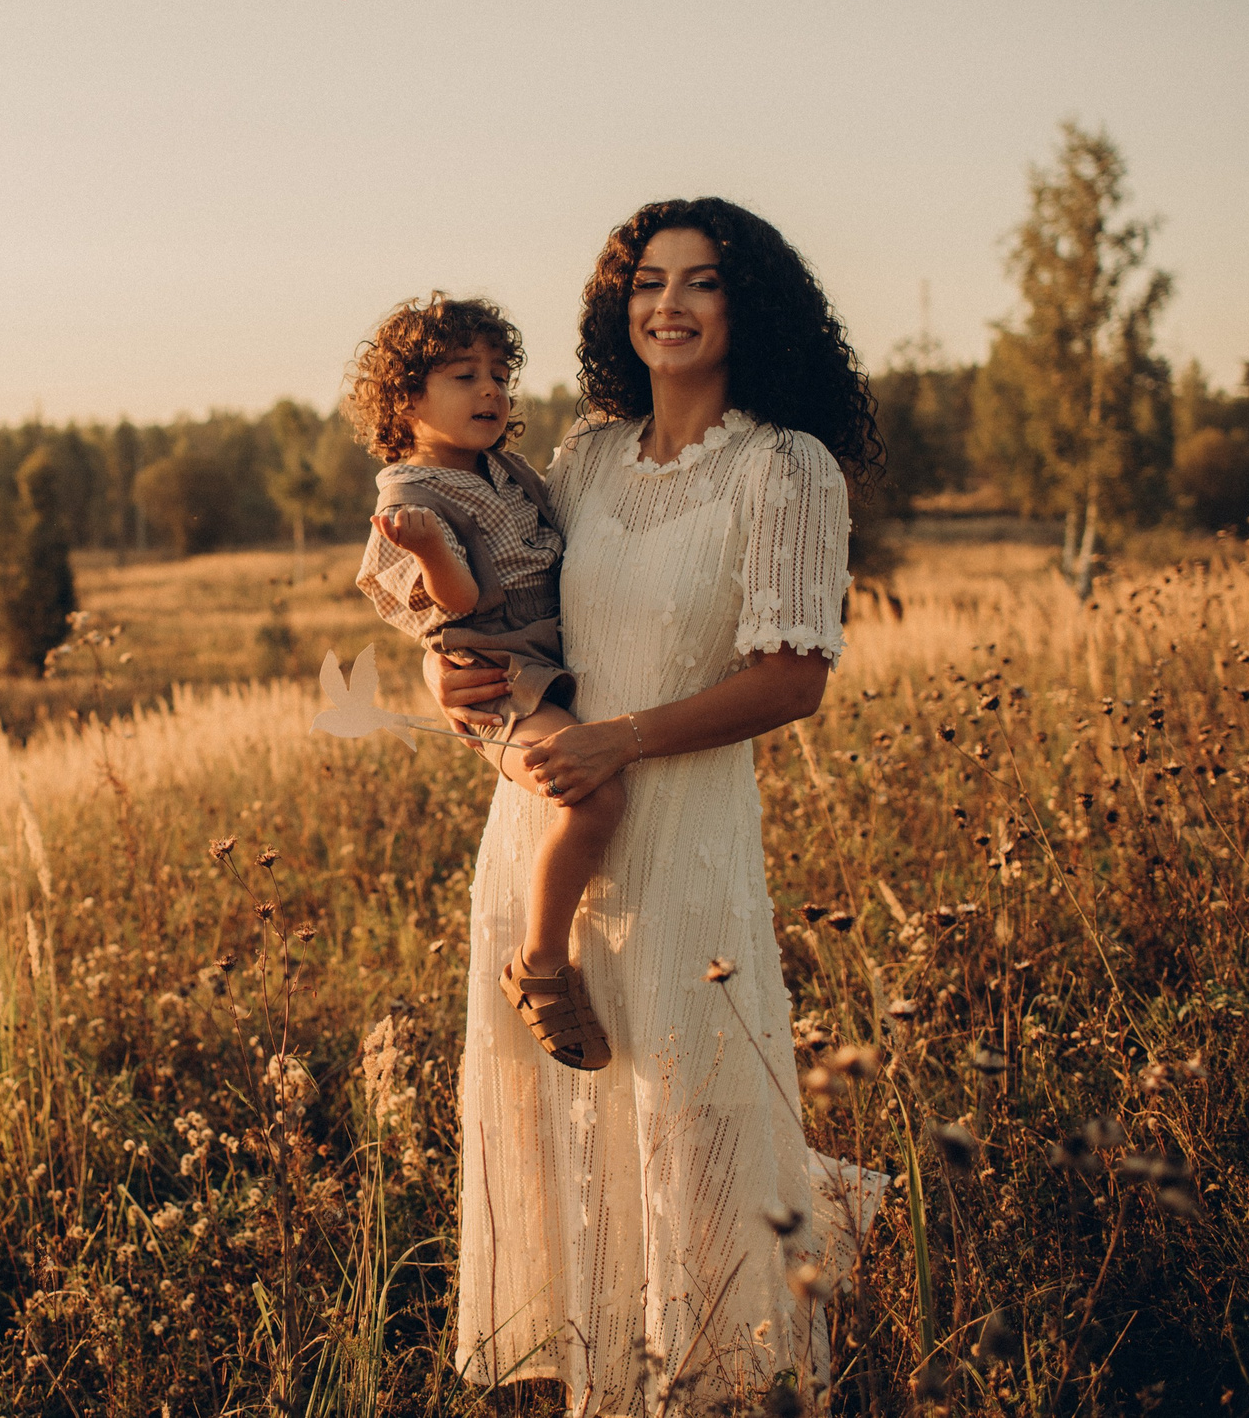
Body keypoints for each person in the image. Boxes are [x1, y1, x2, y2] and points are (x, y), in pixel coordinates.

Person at [429, 200, 886, 1409]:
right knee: (560, 1119)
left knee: (690, 1116)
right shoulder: (582, 459)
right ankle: (593, 1381)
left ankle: (712, 1379)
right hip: (543, 833)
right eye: (645, 281)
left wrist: (623, 737)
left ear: (750, 306)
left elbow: (791, 679)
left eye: (700, 281)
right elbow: (504, 614)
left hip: (681, 842)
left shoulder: (784, 466)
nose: (667, 305)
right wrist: (444, 678)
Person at [342, 293, 623, 1072]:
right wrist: (430, 549)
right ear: (406, 400)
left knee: (596, 784)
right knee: (593, 791)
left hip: (547, 658)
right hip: (500, 679)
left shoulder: (503, 470)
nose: (491, 391)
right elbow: (461, 601)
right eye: (464, 376)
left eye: (500, 374)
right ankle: (540, 963)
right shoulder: (410, 500)